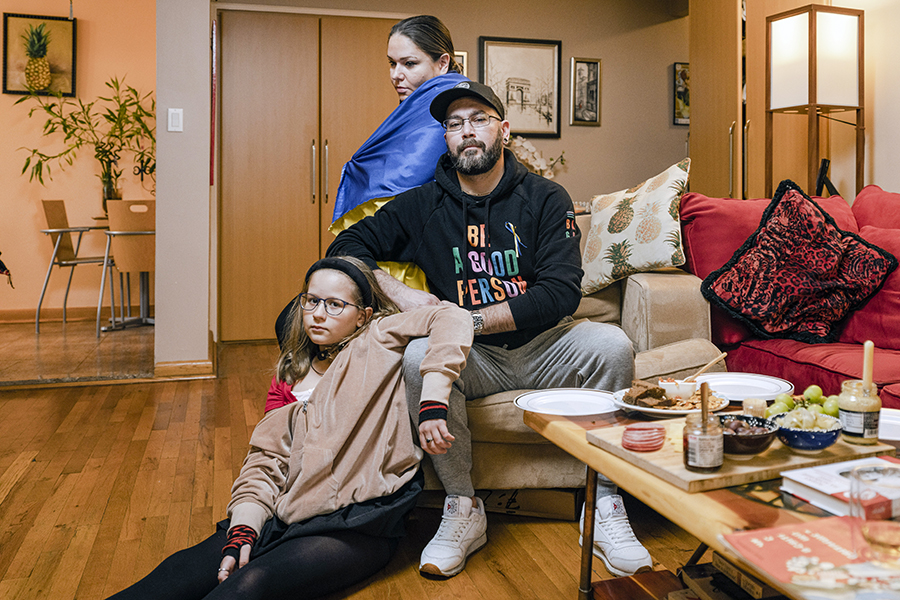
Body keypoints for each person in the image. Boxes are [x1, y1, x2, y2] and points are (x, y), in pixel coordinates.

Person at [327, 81, 653, 578]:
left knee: (611, 345)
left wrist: (464, 320)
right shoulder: (423, 204)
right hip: (471, 359)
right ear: (446, 139)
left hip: (546, 346)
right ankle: (463, 506)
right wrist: (398, 292)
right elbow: (345, 247)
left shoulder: (545, 197)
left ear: (503, 129)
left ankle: (604, 503)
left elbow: (560, 292)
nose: (466, 132)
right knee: (418, 358)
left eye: (478, 119)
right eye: (454, 125)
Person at [106, 257, 472, 600]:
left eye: (334, 305)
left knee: (247, 585)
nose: (318, 314)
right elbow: (264, 462)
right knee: (176, 576)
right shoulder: (289, 380)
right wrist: (244, 528)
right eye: (311, 301)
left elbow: (451, 317)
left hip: (357, 525)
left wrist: (433, 403)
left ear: (363, 316)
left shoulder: (377, 339)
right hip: (282, 515)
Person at [328, 16, 467, 291]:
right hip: (384, 247)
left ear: (442, 63)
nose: (396, 75)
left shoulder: (452, 110)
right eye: (392, 63)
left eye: (409, 63)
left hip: (417, 258)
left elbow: (405, 188)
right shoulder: (416, 108)